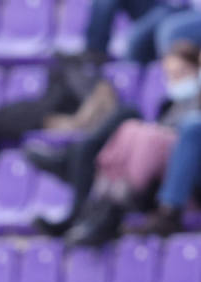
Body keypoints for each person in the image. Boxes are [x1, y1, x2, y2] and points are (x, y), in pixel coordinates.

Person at [57, 40, 201, 245]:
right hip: (159, 178)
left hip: (189, 180)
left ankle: (149, 210)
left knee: (155, 135)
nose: (176, 79)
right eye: (171, 74)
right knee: (129, 126)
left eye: (183, 72)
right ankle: (105, 205)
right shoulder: (170, 105)